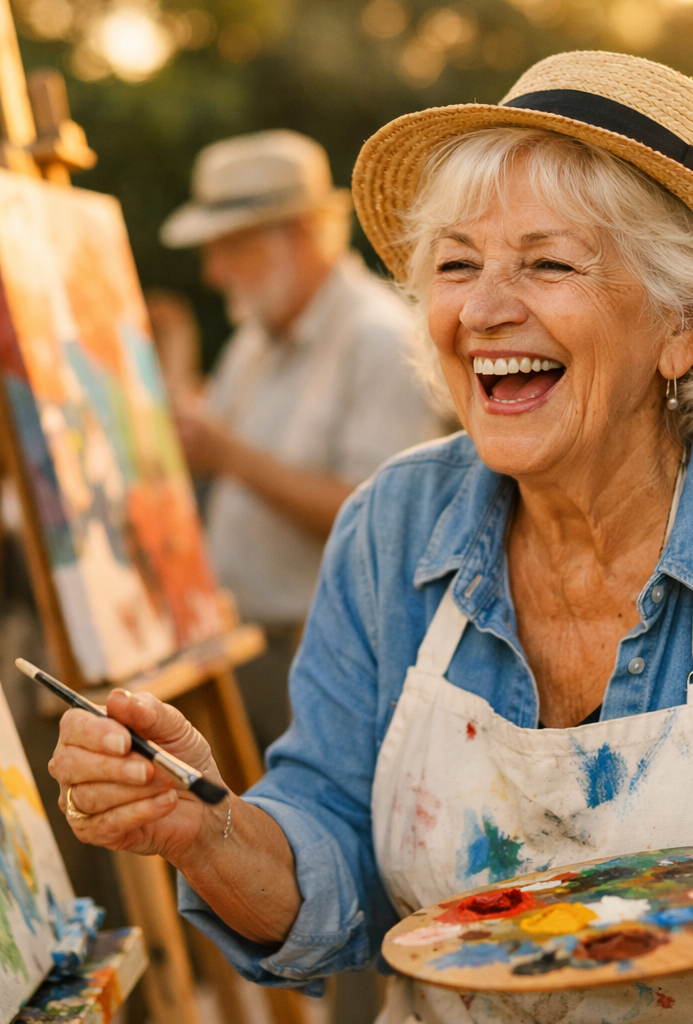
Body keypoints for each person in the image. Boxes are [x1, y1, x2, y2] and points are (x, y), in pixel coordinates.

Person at [49, 52, 693, 1024]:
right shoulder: (393, 527)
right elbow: (332, 844)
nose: (479, 309)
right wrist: (204, 828)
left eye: (548, 263)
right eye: (457, 263)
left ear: (683, 327)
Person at [159, 129, 437, 751]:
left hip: (322, 662)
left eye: (232, 246)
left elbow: (380, 518)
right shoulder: (256, 338)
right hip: (241, 649)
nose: (214, 270)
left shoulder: (379, 338)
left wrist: (228, 454)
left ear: (303, 235)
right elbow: (204, 448)